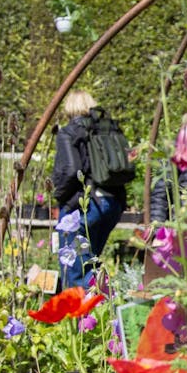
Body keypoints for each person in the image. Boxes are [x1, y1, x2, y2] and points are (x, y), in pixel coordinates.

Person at [51, 90, 127, 288]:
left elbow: (71, 170)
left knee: (76, 274)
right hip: (112, 203)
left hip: (85, 206)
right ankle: (103, 311)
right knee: (91, 264)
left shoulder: (68, 133)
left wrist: (58, 195)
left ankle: (82, 318)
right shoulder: (105, 128)